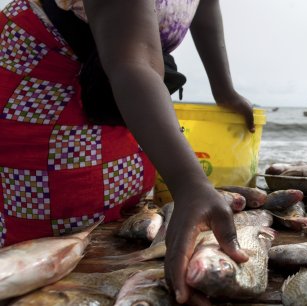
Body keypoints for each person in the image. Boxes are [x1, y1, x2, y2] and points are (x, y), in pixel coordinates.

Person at [0, 0, 254, 304]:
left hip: (127, 82)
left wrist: (223, 89)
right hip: (46, 75)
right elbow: (135, 64)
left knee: (121, 213)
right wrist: (190, 185)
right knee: (52, 238)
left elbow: (203, 4)